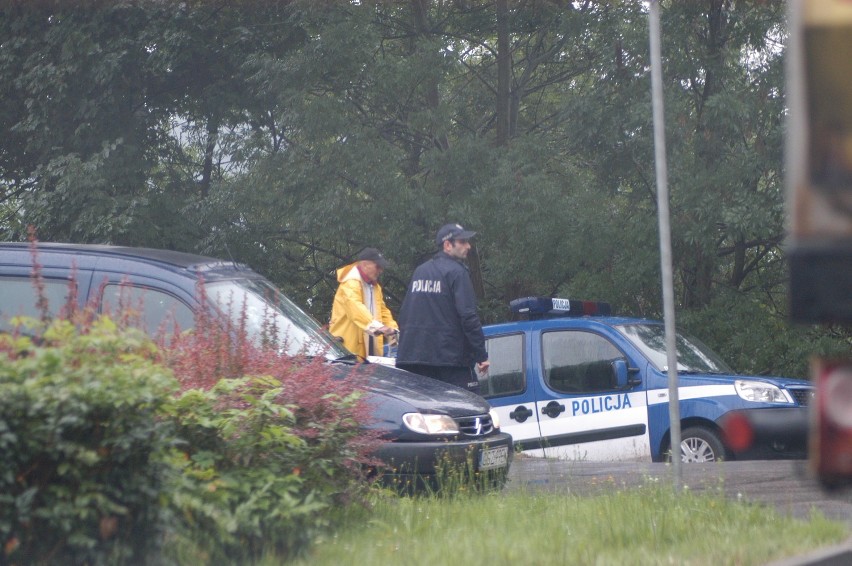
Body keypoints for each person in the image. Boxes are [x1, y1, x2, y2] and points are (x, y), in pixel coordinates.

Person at [396, 223, 489, 394]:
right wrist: (481, 355)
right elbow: (468, 316)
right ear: (448, 245)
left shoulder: (420, 272)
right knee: (469, 412)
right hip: (450, 363)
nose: (468, 246)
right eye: (463, 242)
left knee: (427, 416)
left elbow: (404, 315)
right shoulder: (457, 272)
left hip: (414, 361)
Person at [329, 247, 398, 358]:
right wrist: (378, 327)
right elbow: (355, 308)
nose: (381, 270)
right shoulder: (350, 283)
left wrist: (392, 329)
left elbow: (383, 311)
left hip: (369, 351)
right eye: (378, 266)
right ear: (365, 264)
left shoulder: (375, 287)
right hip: (347, 352)